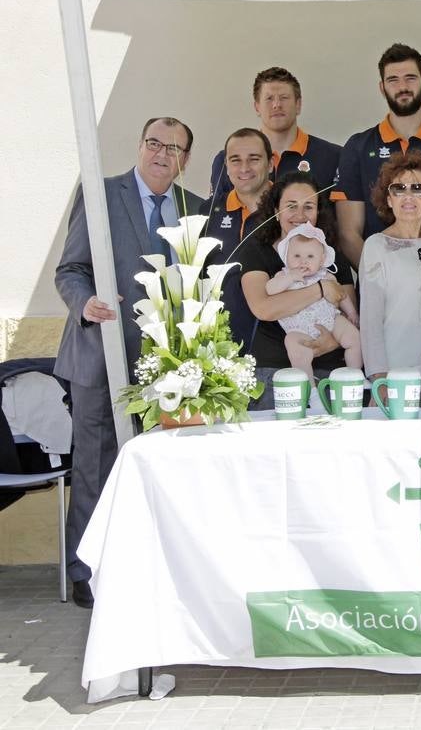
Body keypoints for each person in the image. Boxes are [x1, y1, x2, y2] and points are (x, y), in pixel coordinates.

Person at [54, 117, 203, 607]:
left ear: (185, 160)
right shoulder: (99, 193)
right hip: (100, 357)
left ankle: (148, 565)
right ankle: (86, 570)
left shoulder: (193, 209)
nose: (162, 153)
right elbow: (71, 269)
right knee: (96, 464)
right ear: (140, 146)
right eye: (154, 142)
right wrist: (86, 302)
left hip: (164, 366)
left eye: (174, 148)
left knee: (158, 467)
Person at [335, 43, 421, 264]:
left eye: (411, 78)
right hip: (379, 288)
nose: (403, 86)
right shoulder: (356, 147)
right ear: (382, 88)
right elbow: (348, 234)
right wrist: (383, 276)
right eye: (393, 80)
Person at [238, 172, 356, 407]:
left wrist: (330, 342)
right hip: (274, 376)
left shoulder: (331, 255)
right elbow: (263, 308)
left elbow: (348, 313)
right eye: (291, 206)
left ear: (318, 213)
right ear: (275, 210)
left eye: (308, 207)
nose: (300, 215)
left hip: (330, 373)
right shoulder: (256, 251)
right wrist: (321, 288)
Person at [360, 151, 421, 406]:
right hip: (394, 376)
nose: (408, 196)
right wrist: (380, 377)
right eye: (399, 189)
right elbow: (370, 320)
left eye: (418, 188)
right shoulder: (376, 245)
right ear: (388, 199)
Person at [208, 67, 341, 202]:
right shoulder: (227, 160)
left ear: (298, 105)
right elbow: (216, 217)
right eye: (269, 98)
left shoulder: (334, 157)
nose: (276, 105)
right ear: (257, 107)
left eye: (284, 98)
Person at [202, 128, 274, 346]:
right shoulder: (207, 213)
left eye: (254, 159)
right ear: (226, 165)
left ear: (270, 164)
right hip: (220, 347)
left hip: (281, 350)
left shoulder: (289, 210)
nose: (244, 168)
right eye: (235, 160)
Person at [266, 224, 361, 381]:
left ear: (322, 259)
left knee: (354, 338)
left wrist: (351, 313)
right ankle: (310, 389)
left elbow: (341, 295)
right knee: (294, 347)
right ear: (286, 256)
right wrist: (289, 278)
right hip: (298, 327)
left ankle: (354, 375)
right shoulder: (283, 276)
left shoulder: (326, 276)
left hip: (330, 320)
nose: (303, 262)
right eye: (296, 256)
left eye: (310, 257)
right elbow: (270, 289)